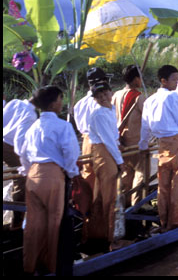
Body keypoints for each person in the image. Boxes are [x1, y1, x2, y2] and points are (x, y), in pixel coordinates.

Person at [18, 86, 80, 275]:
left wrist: (29, 170)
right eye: (60, 99)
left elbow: (23, 153)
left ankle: (30, 266)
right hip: (53, 175)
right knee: (54, 224)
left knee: (34, 225)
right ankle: (51, 267)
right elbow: (70, 153)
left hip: (33, 176)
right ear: (53, 103)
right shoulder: (63, 126)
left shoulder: (33, 126)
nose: (62, 103)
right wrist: (71, 172)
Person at [140, 65, 178, 231]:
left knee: (164, 182)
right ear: (164, 81)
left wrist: (143, 144)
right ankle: (175, 221)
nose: (176, 83)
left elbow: (145, 126)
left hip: (162, 143)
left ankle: (164, 220)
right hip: (176, 141)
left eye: (177, 79)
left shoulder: (149, 100)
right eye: (174, 79)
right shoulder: (172, 97)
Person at [83, 82, 124, 247]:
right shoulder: (99, 114)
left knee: (105, 196)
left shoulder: (110, 110)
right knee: (107, 198)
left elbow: (112, 136)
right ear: (95, 99)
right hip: (104, 153)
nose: (103, 98)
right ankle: (106, 238)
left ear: (111, 93)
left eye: (105, 94)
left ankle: (100, 235)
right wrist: (120, 161)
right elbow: (107, 140)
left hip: (108, 152)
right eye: (98, 96)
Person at [111, 65, 146, 206]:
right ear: (136, 79)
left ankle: (123, 204)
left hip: (121, 141)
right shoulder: (139, 97)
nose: (141, 80)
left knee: (126, 174)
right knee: (140, 174)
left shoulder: (115, 95)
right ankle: (136, 205)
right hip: (135, 141)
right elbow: (148, 118)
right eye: (140, 77)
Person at [3, 95, 38, 230]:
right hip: (11, 146)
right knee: (21, 180)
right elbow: (20, 141)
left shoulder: (14, 102)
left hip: (4, 139)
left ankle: (17, 220)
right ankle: (17, 222)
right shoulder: (31, 114)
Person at [74, 67, 110, 191]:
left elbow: (79, 127)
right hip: (100, 142)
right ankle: (101, 209)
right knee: (104, 177)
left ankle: (87, 207)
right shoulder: (103, 102)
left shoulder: (79, 103)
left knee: (88, 174)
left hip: (85, 142)